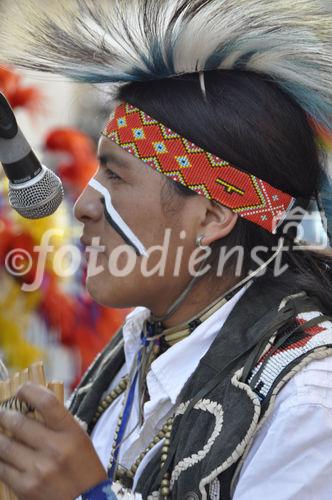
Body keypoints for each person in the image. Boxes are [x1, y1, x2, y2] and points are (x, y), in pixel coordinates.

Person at [0, 1, 331, 499]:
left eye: (114, 174)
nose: (85, 204)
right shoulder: (144, 338)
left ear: (214, 216)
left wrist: (86, 495)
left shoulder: (309, 401)